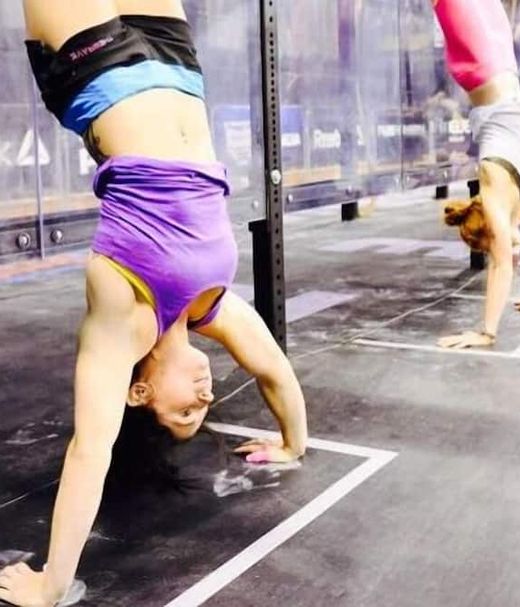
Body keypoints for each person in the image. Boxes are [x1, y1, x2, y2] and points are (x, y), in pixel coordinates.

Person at [0, 2, 308, 605]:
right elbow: (274, 370)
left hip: (95, 69)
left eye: (185, 411)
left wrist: (52, 585)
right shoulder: (211, 307)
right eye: (203, 410)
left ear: (139, 393)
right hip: (176, 63)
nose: (206, 397)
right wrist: (292, 444)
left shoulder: (123, 320)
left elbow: (91, 450)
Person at [433, 0, 520, 349]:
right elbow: (510, 261)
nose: (502, 248)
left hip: (500, 68)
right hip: (487, 68)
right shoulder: (504, 199)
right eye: (489, 245)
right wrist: (487, 332)